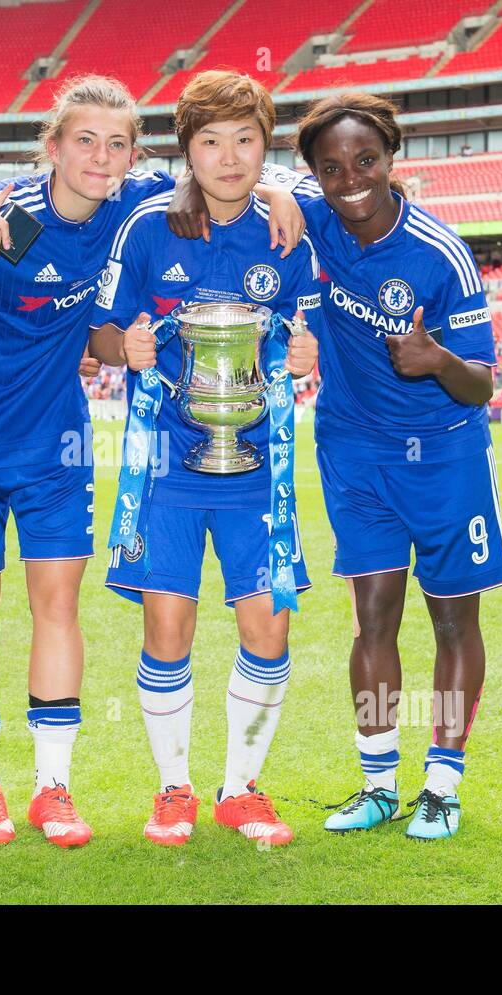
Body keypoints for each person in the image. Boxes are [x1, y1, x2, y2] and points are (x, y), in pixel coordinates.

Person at [0, 75, 310, 849]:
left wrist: (280, 187)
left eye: (117, 144)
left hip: (58, 442)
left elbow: (221, 158)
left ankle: (53, 788)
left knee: (58, 605)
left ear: (134, 155)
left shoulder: (128, 206)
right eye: (84, 141)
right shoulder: (4, 221)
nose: (102, 157)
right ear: (52, 145)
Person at [264, 92, 502, 840]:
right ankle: (376, 783)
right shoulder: (313, 211)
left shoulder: (441, 253)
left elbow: (484, 381)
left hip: (445, 455)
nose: (350, 180)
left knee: (451, 618)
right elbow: (259, 179)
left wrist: (436, 361)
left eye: (365, 160)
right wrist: (278, 189)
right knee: (372, 619)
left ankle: (443, 782)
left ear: (391, 157)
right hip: (353, 452)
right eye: (331, 168)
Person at [88, 72, 320, 847]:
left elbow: (299, 329)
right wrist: (128, 345)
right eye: (211, 141)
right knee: (168, 624)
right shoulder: (147, 226)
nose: (229, 157)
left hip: (258, 469)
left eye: (246, 140)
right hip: (166, 468)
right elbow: (99, 336)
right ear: (188, 148)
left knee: (270, 622)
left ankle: (240, 788)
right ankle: (173, 788)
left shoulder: (288, 230)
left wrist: (303, 351)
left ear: (267, 147)